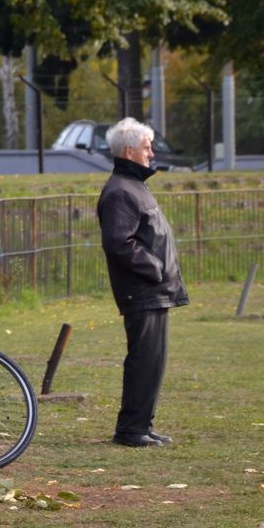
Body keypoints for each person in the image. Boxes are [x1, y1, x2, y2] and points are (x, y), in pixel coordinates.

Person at [96, 117, 190, 448]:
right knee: (144, 360)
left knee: (153, 361)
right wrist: (156, 268)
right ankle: (131, 430)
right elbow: (119, 243)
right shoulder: (120, 191)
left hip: (153, 289)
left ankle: (142, 426)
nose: (151, 153)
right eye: (147, 147)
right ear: (129, 151)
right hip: (142, 290)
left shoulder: (132, 185)